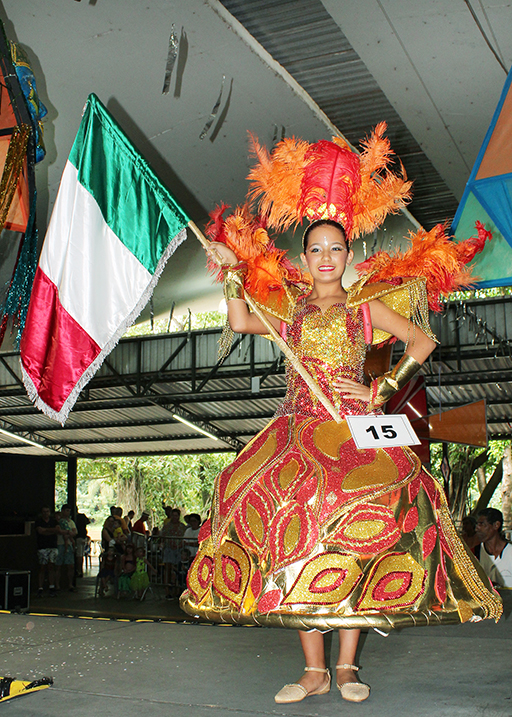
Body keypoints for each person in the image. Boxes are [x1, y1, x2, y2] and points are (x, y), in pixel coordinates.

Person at [180, 129, 502, 704]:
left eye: (336, 249)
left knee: (362, 523)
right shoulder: (290, 307)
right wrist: (231, 271)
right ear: (304, 258)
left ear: (347, 256)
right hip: (297, 427)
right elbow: (239, 321)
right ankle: (313, 671)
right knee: (284, 520)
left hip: (354, 424)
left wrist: (383, 387)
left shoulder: (363, 306)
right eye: (316, 250)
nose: (326, 258)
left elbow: (421, 341)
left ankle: (347, 666)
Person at [476, 508, 512, 588]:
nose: (477, 528)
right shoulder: (475, 553)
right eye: (477, 524)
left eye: (481, 524)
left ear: (496, 525)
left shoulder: (510, 552)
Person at [34, 506, 59, 597]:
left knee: (51, 566)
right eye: (44, 512)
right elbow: (40, 531)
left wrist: (46, 530)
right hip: (42, 547)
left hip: (52, 546)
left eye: (47, 511)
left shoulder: (54, 521)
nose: (46, 513)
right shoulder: (38, 522)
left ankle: (51, 586)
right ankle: (40, 587)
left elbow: (57, 530)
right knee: (42, 567)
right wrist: (51, 531)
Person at [56, 504, 77, 591]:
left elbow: (74, 532)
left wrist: (68, 533)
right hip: (60, 544)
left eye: (69, 511)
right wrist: (68, 532)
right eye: (66, 510)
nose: (68, 512)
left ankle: (70, 584)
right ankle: (57, 585)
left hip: (69, 545)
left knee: (70, 566)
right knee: (58, 566)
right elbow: (59, 531)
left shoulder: (71, 522)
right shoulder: (59, 521)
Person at [74, 509, 91, 578]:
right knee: (80, 555)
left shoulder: (75, 518)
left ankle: (78, 570)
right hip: (82, 537)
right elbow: (88, 522)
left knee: (78, 555)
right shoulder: (82, 516)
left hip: (78, 537)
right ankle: (80, 570)